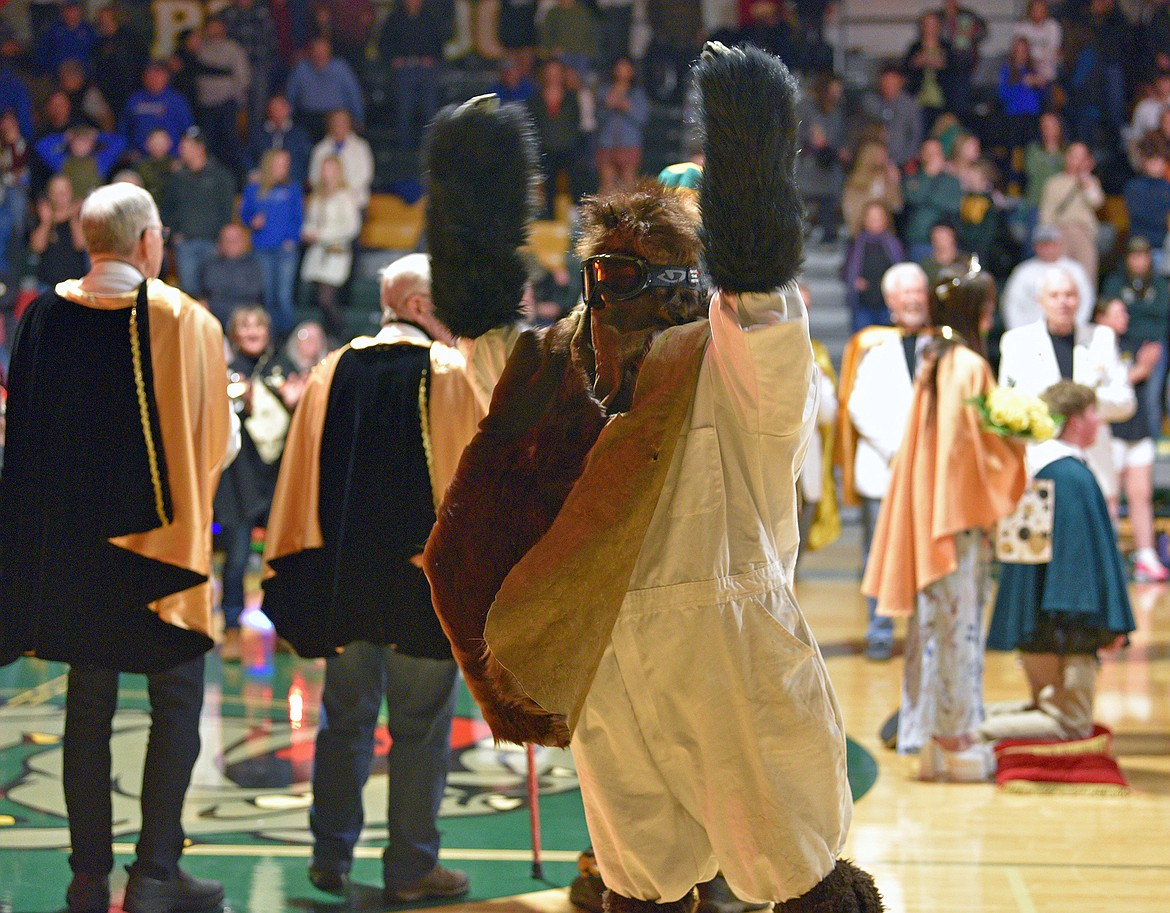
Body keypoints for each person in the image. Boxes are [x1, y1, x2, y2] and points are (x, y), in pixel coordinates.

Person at [426, 45, 882, 913]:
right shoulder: (560, 371)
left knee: (795, 874)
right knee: (640, 881)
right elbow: (488, 342)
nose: (614, 303)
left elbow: (765, 309)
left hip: (730, 646)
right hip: (611, 652)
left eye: (637, 279)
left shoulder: (726, 365)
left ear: (687, 283)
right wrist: (473, 212)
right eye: (604, 280)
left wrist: (750, 156)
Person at [0, 182, 233, 913]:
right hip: (159, 558)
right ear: (145, 243)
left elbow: (24, 439)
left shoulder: (39, 317)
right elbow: (217, 444)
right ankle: (156, 873)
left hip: (71, 558)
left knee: (87, 707)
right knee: (176, 705)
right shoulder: (183, 319)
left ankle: (86, 876)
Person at [261, 255, 494, 902]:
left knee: (345, 719)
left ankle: (329, 854)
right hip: (423, 587)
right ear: (421, 306)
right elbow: (471, 484)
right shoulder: (449, 372)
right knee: (420, 726)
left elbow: (300, 480)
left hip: (347, 588)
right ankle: (412, 866)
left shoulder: (332, 369)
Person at [863, 261, 1028, 780]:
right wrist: (1017, 444)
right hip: (956, 518)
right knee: (957, 628)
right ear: (976, 310)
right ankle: (953, 740)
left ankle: (931, 737)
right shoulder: (969, 366)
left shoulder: (935, 358)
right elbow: (968, 450)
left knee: (932, 630)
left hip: (932, 506)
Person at [981, 380, 1135, 742]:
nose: (1099, 421)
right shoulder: (1071, 476)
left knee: (1043, 706)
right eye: (1093, 412)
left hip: (1036, 623)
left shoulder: (1034, 468)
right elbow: (1080, 567)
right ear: (1075, 421)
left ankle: (961, 721)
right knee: (1072, 724)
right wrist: (1103, 626)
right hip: (1066, 632)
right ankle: (965, 732)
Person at [843, 262, 931, 661]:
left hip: (929, 473)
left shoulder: (942, 344)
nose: (914, 299)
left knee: (928, 556)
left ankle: (925, 630)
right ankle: (879, 631)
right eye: (906, 293)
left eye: (919, 291)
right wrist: (900, 451)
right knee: (876, 555)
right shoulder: (872, 346)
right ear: (891, 300)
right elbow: (860, 407)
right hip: (885, 469)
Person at [999, 266, 1136, 500]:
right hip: (1038, 466)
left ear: (1080, 299)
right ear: (1039, 300)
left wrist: (1082, 401)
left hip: (1094, 465)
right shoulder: (1017, 342)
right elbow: (1007, 408)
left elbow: (1126, 402)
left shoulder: (1102, 338)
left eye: (1070, 295)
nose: (1063, 302)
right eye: (1054, 295)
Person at [215, 305, 292, 661]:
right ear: (234, 333)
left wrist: (295, 400)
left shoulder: (284, 370)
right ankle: (231, 629)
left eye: (258, 325)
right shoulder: (224, 372)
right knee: (236, 560)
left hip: (278, 479)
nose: (251, 331)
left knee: (282, 561)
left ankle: (285, 631)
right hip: (239, 482)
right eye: (244, 325)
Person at [1092, 293, 1167, 582]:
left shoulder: (1134, 343)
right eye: (1117, 312)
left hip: (1137, 428)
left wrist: (1144, 369)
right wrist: (1140, 371)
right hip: (1109, 430)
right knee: (1109, 496)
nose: (1124, 317)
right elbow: (1101, 388)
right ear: (1101, 318)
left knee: (1141, 494)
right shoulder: (1093, 347)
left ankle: (1145, 556)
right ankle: (1106, 558)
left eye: (1125, 312)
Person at [163, 127, 237, 301]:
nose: (182, 151)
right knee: (189, 292)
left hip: (212, 242)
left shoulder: (220, 176)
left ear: (200, 147)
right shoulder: (177, 177)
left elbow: (226, 210)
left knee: (214, 289)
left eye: (186, 146)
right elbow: (169, 209)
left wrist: (222, 240)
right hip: (186, 242)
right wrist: (175, 233)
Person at [241, 148, 304, 337]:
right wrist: (252, 221)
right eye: (279, 164)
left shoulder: (292, 188)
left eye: (286, 164)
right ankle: (268, 336)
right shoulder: (254, 189)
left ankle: (285, 338)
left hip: (285, 250)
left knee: (284, 296)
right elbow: (245, 215)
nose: (283, 168)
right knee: (267, 295)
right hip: (262, 249)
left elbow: (298, 218)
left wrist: (291, 240)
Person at [300, 154, 361, 338]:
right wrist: (309, 231)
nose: (327, 173)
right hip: (318, 253)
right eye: (325, 168)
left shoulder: (346, 196)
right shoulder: (318, 196)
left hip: (336, 252)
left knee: (326, 298)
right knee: (317, 297)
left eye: (332, 168)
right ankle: (326, 335)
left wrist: (322, 235)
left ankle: (341, 333)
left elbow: (351, 227)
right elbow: (311, 221)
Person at [1001, 224, 1095, 330]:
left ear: (1060, 245)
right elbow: (1013, 305)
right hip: (1030, 334)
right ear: (1035, 247)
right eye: (1044, 245)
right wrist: (1018, 333)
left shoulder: (1075, 270)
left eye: (1052, 244)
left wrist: (1076, 329)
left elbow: (1086, 300)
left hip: (1068, 334)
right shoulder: (1023, 271)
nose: (1049, 249)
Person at [1039, 142, 1105, 283]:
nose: (1078, 161)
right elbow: (1046, 215)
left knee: (1086, 280)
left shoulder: (1091, 181)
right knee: (1059, 279)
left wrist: (1085, 180)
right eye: (1074, 156)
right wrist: (1049, 239)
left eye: (1082, 157)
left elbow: (1096, 201)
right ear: (1066, 157)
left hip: (1084, 233)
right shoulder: (1053, 183)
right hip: (1060, 234)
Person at [842, 201, 904, 332]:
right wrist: (854, 281)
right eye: (871, 218)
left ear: (886, 220)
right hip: (863, 304)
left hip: (887, 304)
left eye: (878, 218)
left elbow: (900, 271)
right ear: (864, 220)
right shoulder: (855, 244)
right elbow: (846, 270)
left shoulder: (894, 245)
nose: (874, 221)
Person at [594, 56, 649, 194]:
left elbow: (643, 119)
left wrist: (627, 107)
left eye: (626, 68)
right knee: (606, 188)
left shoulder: (637, 93)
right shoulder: (604, 91)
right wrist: (607, 106)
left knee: (628, 188)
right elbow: (596, 118)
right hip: (607, 143)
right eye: (619, 68)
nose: (622, 72)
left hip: (629, 144)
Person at [902, 137, 961, 263]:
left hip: (945, 243)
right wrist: (928, 176)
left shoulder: (951, 181)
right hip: (919, 240)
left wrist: (928, 199)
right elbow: (913, 198)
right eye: (928, 152)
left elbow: (953, 205)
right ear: (921, 154)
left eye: (936, 152)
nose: (932, 156)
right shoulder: (912, 178)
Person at [200, 222, 265, 328]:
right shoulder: (211, 263)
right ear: (220, 243)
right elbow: (208, 286)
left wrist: (221, 291)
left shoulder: (254, 264)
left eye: (235, 239)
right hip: (215, 313)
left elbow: (253, 290)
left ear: (244, 241)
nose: (231, 243)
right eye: (227, 239)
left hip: (245, 312)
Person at [308, 109, 373, 211]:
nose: (339, 125)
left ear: (349, 124)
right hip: (326, 204)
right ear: (329, 124)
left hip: (355, 203)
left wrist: (342, 195)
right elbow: (314, 177)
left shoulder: (361, 147)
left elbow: (365, 175)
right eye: (335, 122)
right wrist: (330, 193)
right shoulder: (320, 149)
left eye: (343, 122)